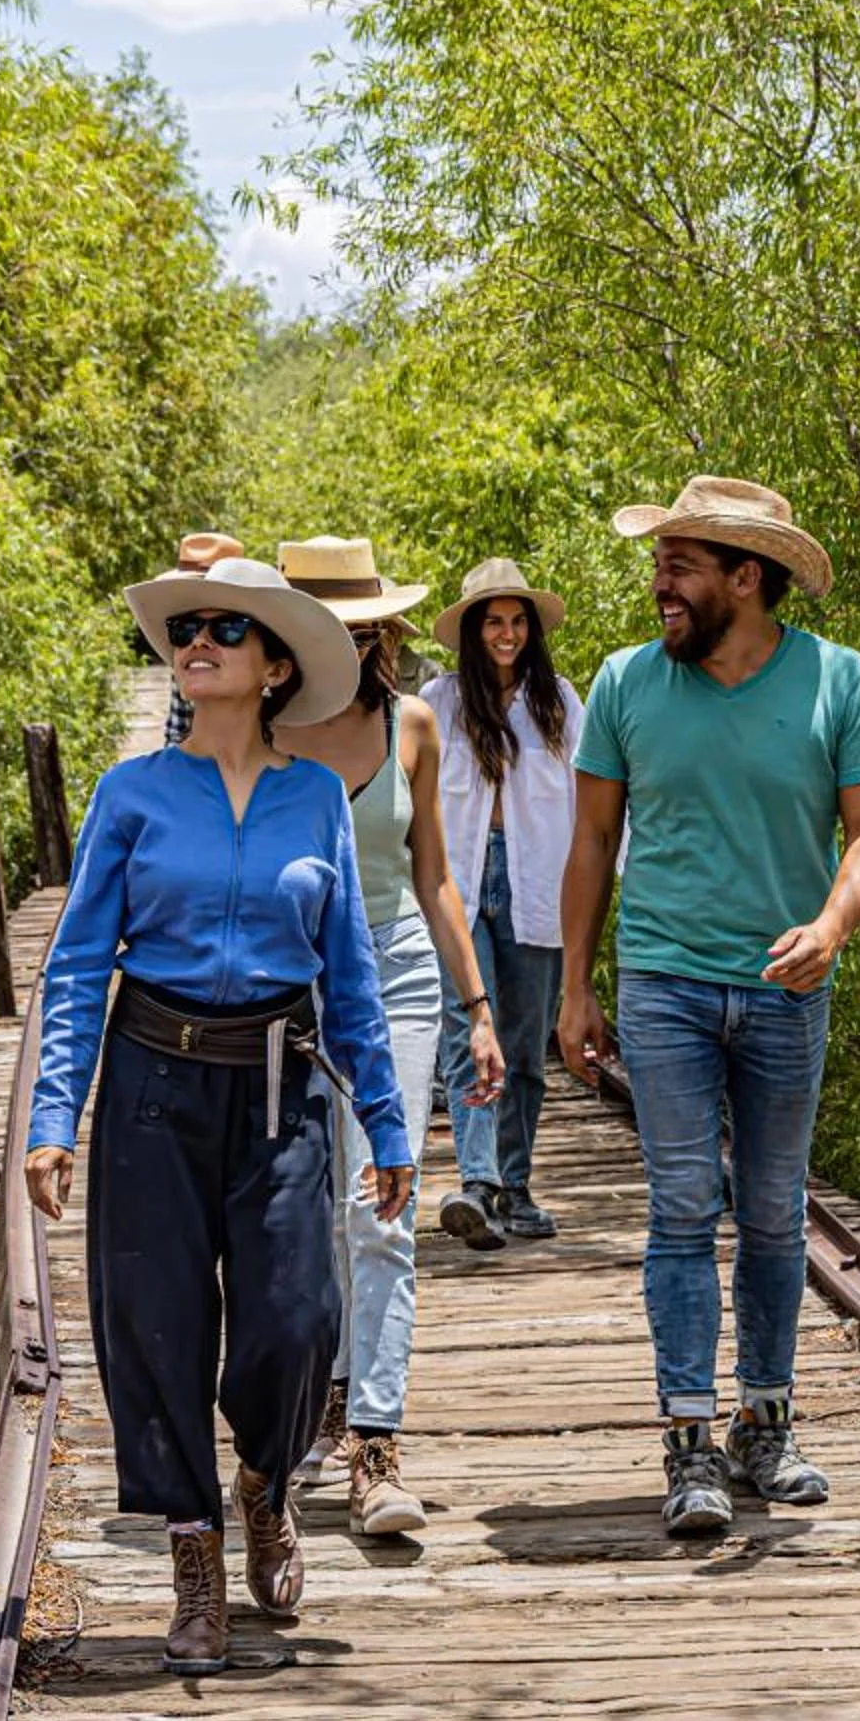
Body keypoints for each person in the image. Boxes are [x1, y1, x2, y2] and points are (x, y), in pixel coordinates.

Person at [25, 554, 417, 1674]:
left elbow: (348, 971)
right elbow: (77, 962)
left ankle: (263, 1476)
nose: (194, 643)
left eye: (224, 631)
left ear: (275, 662)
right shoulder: (131, 796)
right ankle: (196, 1548)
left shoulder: (311, 798)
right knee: (155, 1321)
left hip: (282, 1084)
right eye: (184, 629)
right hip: (153, 1082)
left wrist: (387, 1121)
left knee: (297, 1318)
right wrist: (56, 1112)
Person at [554, 477, 860, 1536]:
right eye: (660, 562)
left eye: (680, 564)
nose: (659, 582)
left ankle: (767, 1418)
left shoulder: (839, 681)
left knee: (774, 1206)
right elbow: (590, 846)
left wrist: (831, 927)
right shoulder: (623, 683)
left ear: (746, 577)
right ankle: (689, 1437)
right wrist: (574, 983)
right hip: (662, 980)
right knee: (681, 1203)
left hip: (785, 987)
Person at [268, 536, 504, 1537]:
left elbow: (435, 874)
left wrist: (479, 1007)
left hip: (399, 978)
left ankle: (376, 1444)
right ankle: (322, 1390)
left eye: (362, 623)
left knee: (384, 1206)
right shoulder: (259, 728)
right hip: (291, 987)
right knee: (305, 1214)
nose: (350, 639)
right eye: (329, 624)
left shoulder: (411, 725)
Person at [424, 558, 583, 1242]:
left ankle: (514, 1186)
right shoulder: (440, 701)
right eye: (494, 621)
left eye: (517, 622)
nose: (508, 633)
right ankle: (478, 1182)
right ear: (472, 630)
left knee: (522, 1044)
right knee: (469, 1031)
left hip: (537, 883)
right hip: (455, 881)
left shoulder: (559, 703)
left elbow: (597, 800)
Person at [160, 531, 246, 746]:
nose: (198, 639)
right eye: (185, 627)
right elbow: (177, 729)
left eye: (226, 627)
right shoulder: (188, 652)